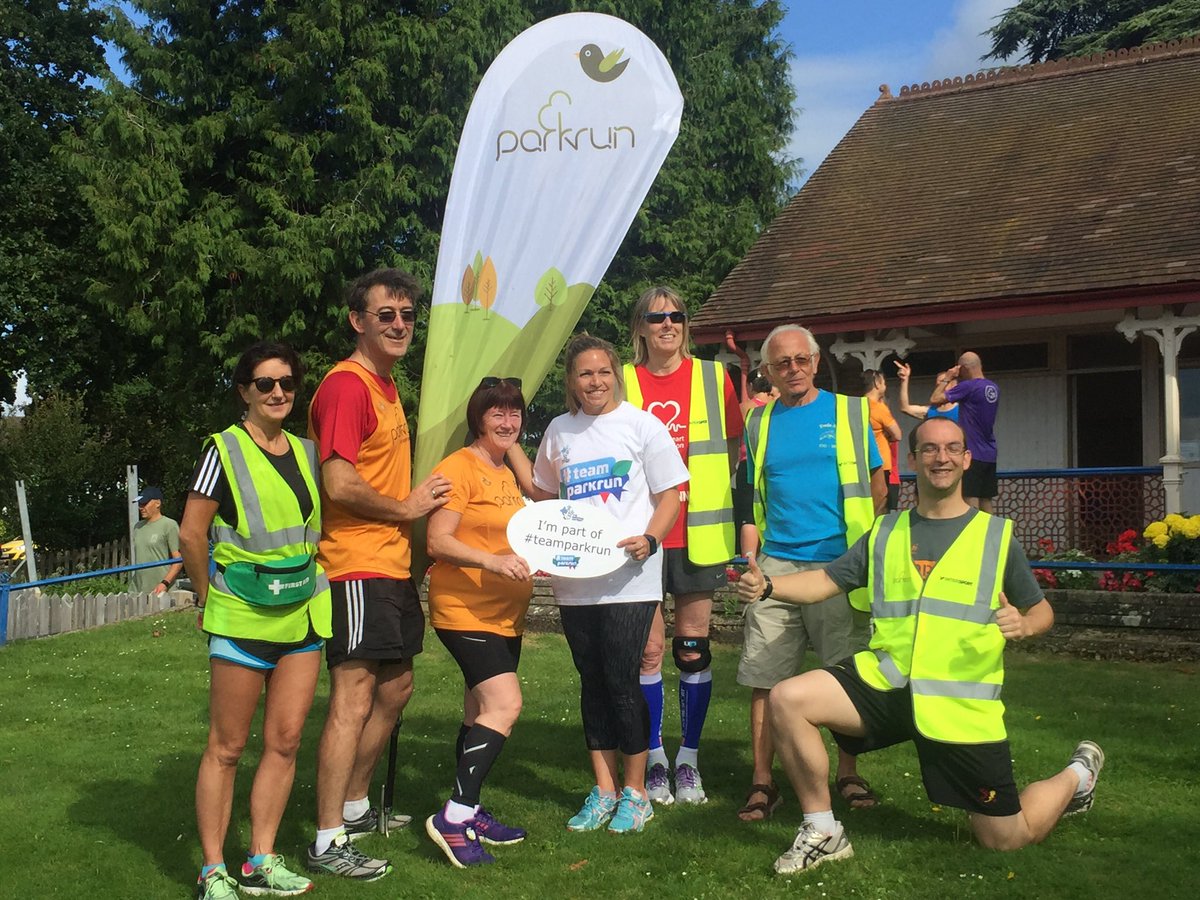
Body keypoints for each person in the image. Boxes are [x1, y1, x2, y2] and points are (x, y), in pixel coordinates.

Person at [737, 417, 1104, 874]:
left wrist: (1024, 625)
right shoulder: (886, 531)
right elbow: (826, 581)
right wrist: (769, 584)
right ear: (911, 461)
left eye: (952, 449)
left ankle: (1077, 776)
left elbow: (1042, 611)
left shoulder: (996, 536)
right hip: (887, 682)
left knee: (1005, 839)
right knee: (789, 697)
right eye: (929, 449)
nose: (941, 458)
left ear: (967, 460)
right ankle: (823, 830)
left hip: (958, 704)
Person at [508, 333, 688, 834]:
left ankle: (636, 794)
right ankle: (603, 790)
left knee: (622, 680)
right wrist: (507, 448)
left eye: (603, 372)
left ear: (616, 375)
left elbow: (671, 494)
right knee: (591, 682)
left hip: (629, 578)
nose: (595, 381)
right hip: (575, 580)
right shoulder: (559, 430)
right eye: (585, 373)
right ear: (572, 381)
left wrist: (651, 541)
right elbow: (543, 492)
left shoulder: (641, 426)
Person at [306, 268, 451, 881]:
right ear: (357, 321)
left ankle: (357, 806)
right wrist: (408, 509)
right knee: (354, 697)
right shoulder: (346, 386)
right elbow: (337, 482)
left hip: (391, 566)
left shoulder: (387, 386)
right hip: (354, 564)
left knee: (395, 690)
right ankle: (326, 837)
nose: (399, 324)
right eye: (385, 314)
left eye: (407, 315)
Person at [180, 341, 331, 900]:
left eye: (287, 383)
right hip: (242, 615)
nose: (278, 393)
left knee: (286, 741)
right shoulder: (223, 449)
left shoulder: (309, 452)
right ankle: (213, 870)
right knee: (226, 747)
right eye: (265, 383)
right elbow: (192, 533)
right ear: (244, 390)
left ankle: (261, 859)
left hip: (304, 616)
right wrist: (203, 595)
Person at [736, 324, 885, 822]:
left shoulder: (849, 412)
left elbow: (878, 483)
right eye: (782, 364)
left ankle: (847, 773)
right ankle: (763, 783)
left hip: (838, 564)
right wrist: (751, 559)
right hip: (775, 563)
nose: (793, 370)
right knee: (765, 677)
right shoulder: (759, 423)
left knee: (844, 676)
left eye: (801, 360)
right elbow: (752, 497)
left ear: (816, 362)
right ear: (768, 371)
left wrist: (865, 552)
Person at [622, 286, 743, 806]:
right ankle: (653, 757)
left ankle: (688, 760)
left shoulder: (715, 377)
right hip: (641, 535)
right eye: (657, 316)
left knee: (691, 649)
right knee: (647, 650)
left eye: (677, 316)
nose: (668, 324)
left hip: (700, 534)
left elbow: (733, 445)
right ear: (641, 327)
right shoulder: (623, 380)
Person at [424, 377, 533, 867]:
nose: (508, 422)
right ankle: (454, 815)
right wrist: (491, 564)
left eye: (515, 414)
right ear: (478, 419)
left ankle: (470, 811)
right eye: (498, 414)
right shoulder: (459, 467)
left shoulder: (505, 469)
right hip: (465, 609)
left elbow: (525, 516)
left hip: (505, 614)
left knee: (477, 712)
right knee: (505, 704)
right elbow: (438, 541)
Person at [930, 352, 999, 513]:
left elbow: (935, 398)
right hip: (990, 451)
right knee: (986, 500)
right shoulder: (993, 388)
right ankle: (992, 536)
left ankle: (973, 536)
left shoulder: (969, 386)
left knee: (970, 500)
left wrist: (947, 378)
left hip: (972, 453)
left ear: (965, 369)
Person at [862, 370, 902, 513]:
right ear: (877, 383)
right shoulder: (879, 408)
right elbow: (898, 434)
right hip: (881, 463)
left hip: (861, 463)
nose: (885, 386)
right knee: (881, 506)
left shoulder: (856, 405)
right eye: (884, 382)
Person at [132, 486, 182, 596]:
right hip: (137, 590)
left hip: (161, 591)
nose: (141, 507)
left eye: (144, 504)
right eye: (140, 504)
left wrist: (164, 583)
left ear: (157, 503)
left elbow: (178, 560)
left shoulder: (169, 525)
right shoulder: (137, 527)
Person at [894, 361, 959, 423]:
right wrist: (904, 380)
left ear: (954, 384)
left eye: (943, 381)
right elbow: (905, 408)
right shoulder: (931, 411)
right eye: (937, 383)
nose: (939, 385)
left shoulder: (962, 409)